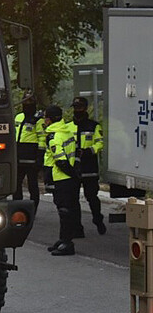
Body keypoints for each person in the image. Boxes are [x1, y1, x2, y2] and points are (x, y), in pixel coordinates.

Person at [45, 105, 80, 256]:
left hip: (61, 178)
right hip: (69, 178)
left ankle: (67, 243)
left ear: (49, 119)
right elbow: (76, 152)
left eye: (45, 117)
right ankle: (63, 239)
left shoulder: (54, 136)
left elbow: (60, 161)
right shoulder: (66, 132)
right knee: (67, 209)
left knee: (64, 211)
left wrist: (71, 174)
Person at [71, 97, 106, 235]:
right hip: (73, 167)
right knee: (73, 199)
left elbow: (100, 143)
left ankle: (98, 220)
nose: (76, 110)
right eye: (75, 107)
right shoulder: (68, 126)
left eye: (79, 108)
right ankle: (78, 228)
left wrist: (89, 151)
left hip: (89, 166)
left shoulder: (94, 126)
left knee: (91, 196)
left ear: (85, 108)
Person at [13, 92, 45, 211]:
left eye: (30, 102)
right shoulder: (18, 117)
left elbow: (42, 138)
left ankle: (33, 209)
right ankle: (17, 207)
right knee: (16, 185)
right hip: (19, 156)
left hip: (32, 158)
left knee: (33, 185)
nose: (27, 104)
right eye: (25, 102)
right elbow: (14, 135)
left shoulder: (38, 120)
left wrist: (39, 157)